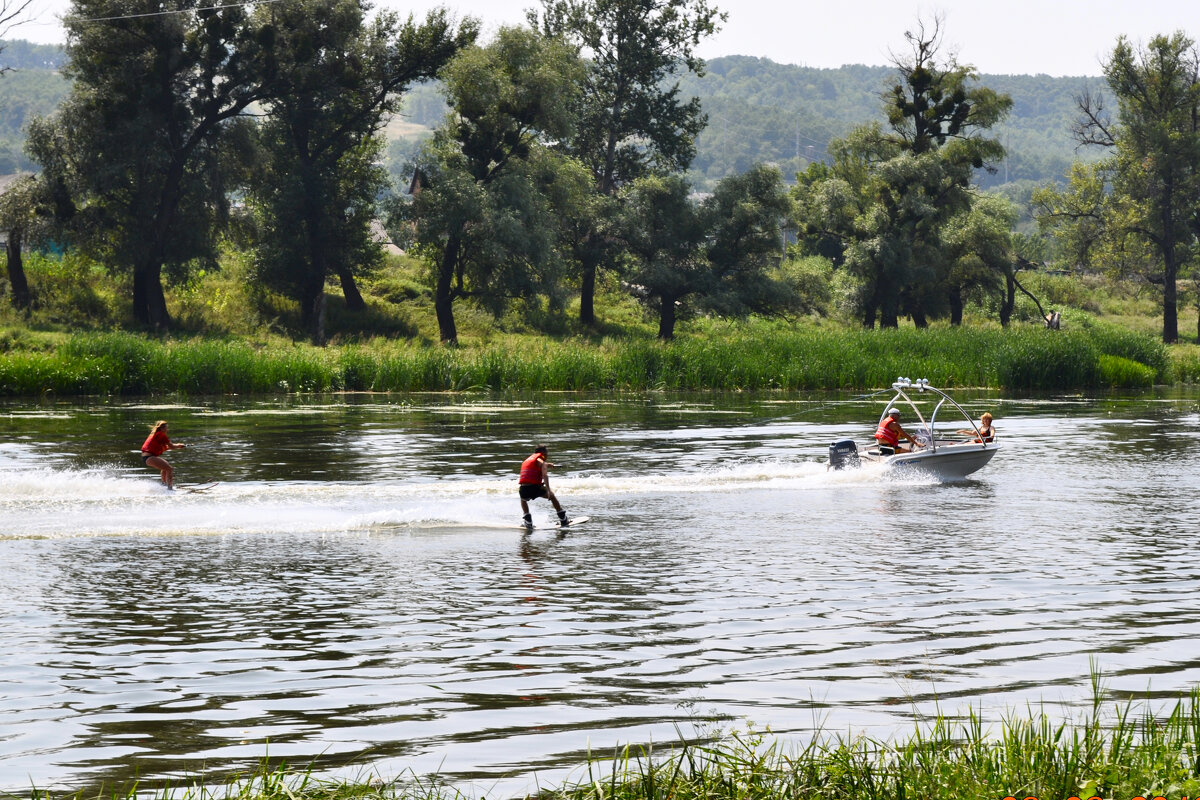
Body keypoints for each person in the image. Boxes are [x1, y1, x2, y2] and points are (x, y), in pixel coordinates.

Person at [518, 445, 570, 529]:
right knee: (552, 497)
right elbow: (544, 475)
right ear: (542, 453)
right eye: (546, 453)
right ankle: (563, 519)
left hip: (523, 489)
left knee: (523, 499)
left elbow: (538, 464)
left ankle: (528, 521)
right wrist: (549, 491)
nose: (547, 455)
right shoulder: (540, 460)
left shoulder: (529, 459)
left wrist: (548, 464)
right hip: (535, 488)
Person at [141, 420, 186, 490]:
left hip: (147, 457)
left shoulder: (155, 435)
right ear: (162, 428)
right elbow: (172, 446)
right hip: (149, 457)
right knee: (169, 469)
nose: (168, 430)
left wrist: (178, 446)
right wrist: (179, 445)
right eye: (166, 428)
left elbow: (166, 447)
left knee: (165, 467)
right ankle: (170, 488)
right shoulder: (161, 435)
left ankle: (164, 485)